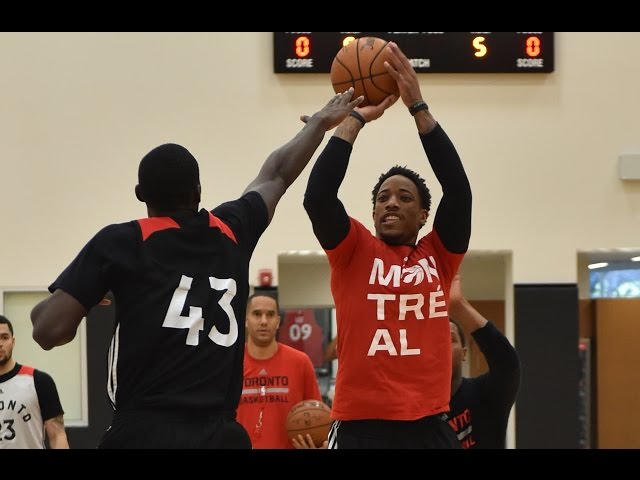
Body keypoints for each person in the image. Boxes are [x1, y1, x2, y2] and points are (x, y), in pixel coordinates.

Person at [29, 88, 363, 449]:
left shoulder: (123, 242)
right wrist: (318, 123)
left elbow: (48, 331)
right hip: (221, 434)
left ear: (141, 194)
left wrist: (82, 298)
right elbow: (277, 175)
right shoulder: (231, 230)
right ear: (199, 190)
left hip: (144, 432)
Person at [303, 41, 472, 449]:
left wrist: (418, 107)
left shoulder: (440, 256)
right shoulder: (353, 250)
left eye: (404, 197)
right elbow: (318, 198)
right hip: (362, 429)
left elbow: (459, 192)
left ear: (423, 216)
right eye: (382, 197)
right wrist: (354, 121)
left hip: (429, 426)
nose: (391, 202)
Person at [236, 293, 325, 449]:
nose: (264, 321)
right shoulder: (232, 365)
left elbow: (319, 417)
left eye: (270, 315)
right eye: (257, 314)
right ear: (245, 320)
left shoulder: (300, 362)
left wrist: (320, 443)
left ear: (277, 322)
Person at [446, 274, 521, 449]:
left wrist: (459, 306)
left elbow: (507, 364)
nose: (442, 346)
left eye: (450, 339)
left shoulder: (484, 394)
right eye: (435, 341)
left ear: (464, 353)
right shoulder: (411, 403)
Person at [0, 315, 69, 449]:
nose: (0, 343)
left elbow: (57, 436)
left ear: (13, 341)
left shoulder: (39, 381)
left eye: (4, 337)